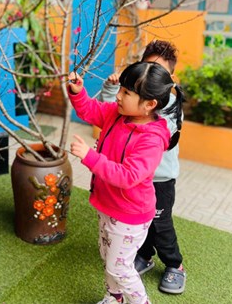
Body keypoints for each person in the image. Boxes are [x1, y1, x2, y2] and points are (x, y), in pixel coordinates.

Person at [67, 61, 184, 304]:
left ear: (150, 104)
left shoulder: (152, 140)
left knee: (119, 268)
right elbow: (90, 110)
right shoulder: (117, 114)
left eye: (127, 92)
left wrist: (90, 156)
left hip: (130, 215)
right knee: (108, 258)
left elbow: (128, 176)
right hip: (108, 206)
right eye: (121, 89)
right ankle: (114, 297)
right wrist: (78, 93)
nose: (118, 96)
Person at [100, 40, 186, 295]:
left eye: (159, 71)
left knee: (160, 225)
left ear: (169, 79)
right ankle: (144, 255)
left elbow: (153, 134)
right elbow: (109, 112)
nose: (152, 75)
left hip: (159, 179)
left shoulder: (168, 107)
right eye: (148, 67)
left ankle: (174, 264)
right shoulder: (131, 100)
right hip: (131, 180)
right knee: (139, 223)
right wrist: (114, 89)